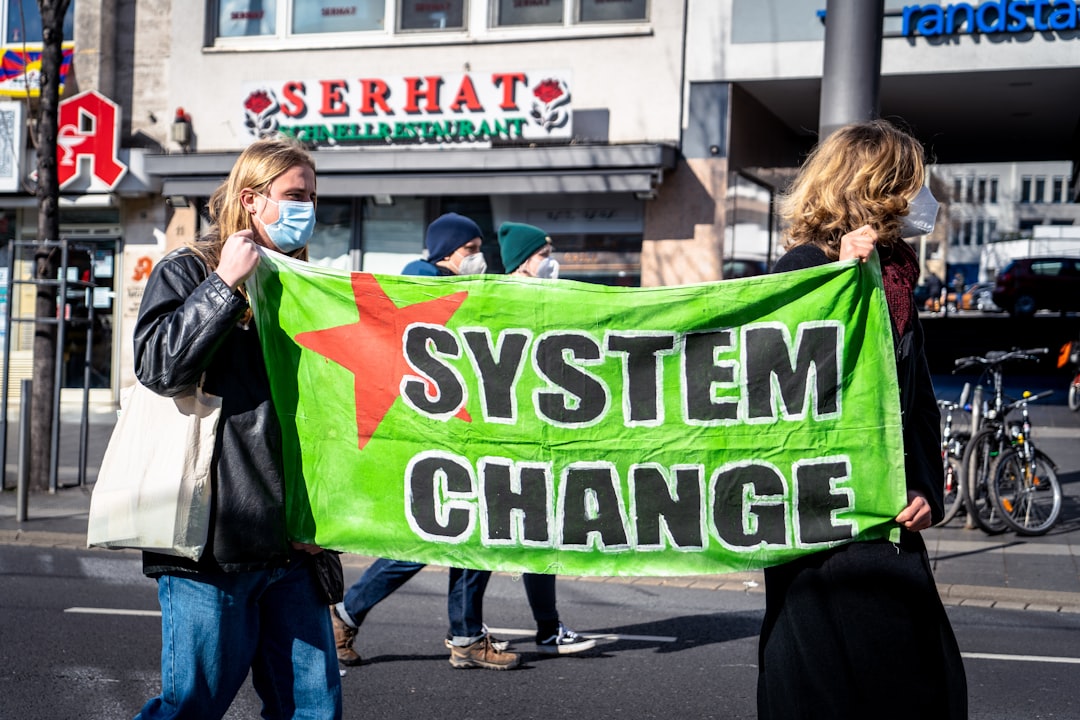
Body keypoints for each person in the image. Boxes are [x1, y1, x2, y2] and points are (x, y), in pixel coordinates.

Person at [757, 120, 967, 719]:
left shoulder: (898, 271)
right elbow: (777, 387)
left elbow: (917, 398)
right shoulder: (803, 265)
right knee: (823, 687)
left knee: (922, 684)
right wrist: (837, 284)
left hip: (888, 518)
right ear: (879, 187)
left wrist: (926, 481)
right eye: (913, 184)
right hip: (819, 528)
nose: (923, 200)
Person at [133, 137, 342, 719]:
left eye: (313, 196)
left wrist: (320, 512)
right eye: (295, 195)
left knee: (312, 709)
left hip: (294, 545)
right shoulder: (190, 268)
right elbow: (159, 367)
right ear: (251, 199)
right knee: (191, 706)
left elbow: (322, 415)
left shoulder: (299, 284)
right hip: (213, 541)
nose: (308, 208)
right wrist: (224, 285)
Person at [331, 212, 522, 672]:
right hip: (441, 436)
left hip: (450, 436)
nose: (479, 259)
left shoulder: (435, 293)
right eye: (471, 250)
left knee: (454, 537)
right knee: (447, 538)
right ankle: (353, 618)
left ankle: (459, 636)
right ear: (446, 254)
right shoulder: (429, 294)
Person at [497, 220, 596, 655]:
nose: (550, 261)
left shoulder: (545, 297)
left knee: (536, 532)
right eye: (542, 254)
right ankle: (353, 613)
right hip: (508, 438)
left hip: (535, 435)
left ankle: (546, 627)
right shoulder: (501, 303)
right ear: (522, 262)